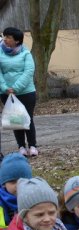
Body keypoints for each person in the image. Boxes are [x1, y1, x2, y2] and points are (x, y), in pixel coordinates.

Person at [0, 27, 37, 157]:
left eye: (8, 37)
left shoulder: (26, 54)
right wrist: (5, 87)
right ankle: (21, 146)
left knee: (27, 119)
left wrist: (16, 88)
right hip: (6, 93)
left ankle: (32, 145)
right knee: (16, 120)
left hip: (26, 92)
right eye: (4, 36)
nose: (5, 39)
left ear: (17, 40)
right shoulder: (0, 52)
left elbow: (28, 72)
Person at [0, 153, 32, 230]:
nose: (18, 185)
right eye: (12, 182)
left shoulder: (37, 197)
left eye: (23, 180)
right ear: (4, 184)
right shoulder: (1, 202)